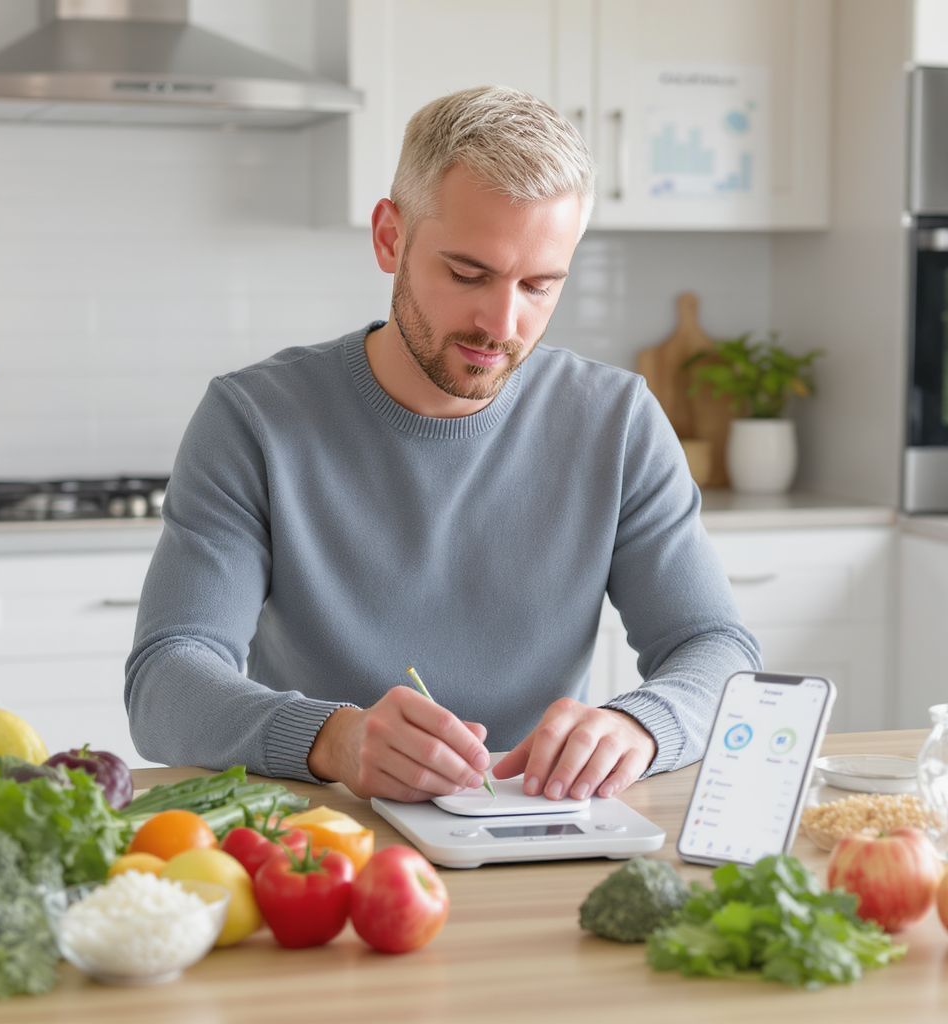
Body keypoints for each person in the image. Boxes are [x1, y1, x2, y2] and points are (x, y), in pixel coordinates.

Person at [125, 85, 761, 804]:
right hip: (323, 836)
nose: (502, 322)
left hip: (535, 825)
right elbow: (166, 679)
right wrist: (333, 739)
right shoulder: (253, 420)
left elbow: (715, 649)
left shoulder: (615, 422)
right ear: (390, 238)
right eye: (468, 275)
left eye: (540, 286)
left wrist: (640, 726)